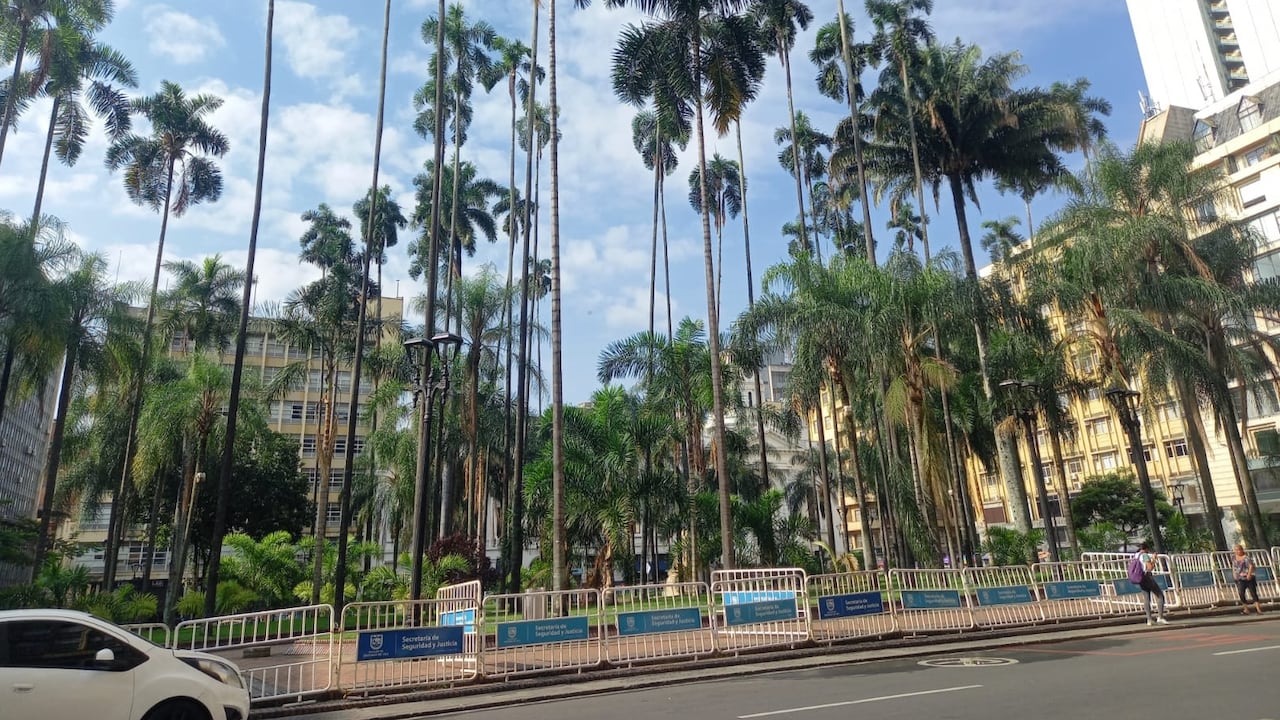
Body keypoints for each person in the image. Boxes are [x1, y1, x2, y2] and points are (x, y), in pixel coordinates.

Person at [1135, 542, 1168, 626]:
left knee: (1146, 598)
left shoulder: (1136, 555)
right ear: (1146, 549)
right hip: (1147, 577)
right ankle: (1160, 617)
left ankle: (1149, 620)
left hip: (1140, 578)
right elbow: (1150, 567)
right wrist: (1154, 559)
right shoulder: (1145, 555)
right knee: (1160, 595)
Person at [1233, 544, 1264, 615]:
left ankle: (1258, 609)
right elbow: (1233, 566)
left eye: (1239, 550)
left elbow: (1251, 566)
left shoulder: (1246, 557)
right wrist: (1234, 574)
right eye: (1236, 550)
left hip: (1249, 577)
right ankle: (1246, 609)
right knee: (1241, 593)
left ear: (1242, 550)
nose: (1238, 551)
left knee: (1253, 593)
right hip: (1240, 578)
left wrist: (1249, 574)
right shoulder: (1234, 558)